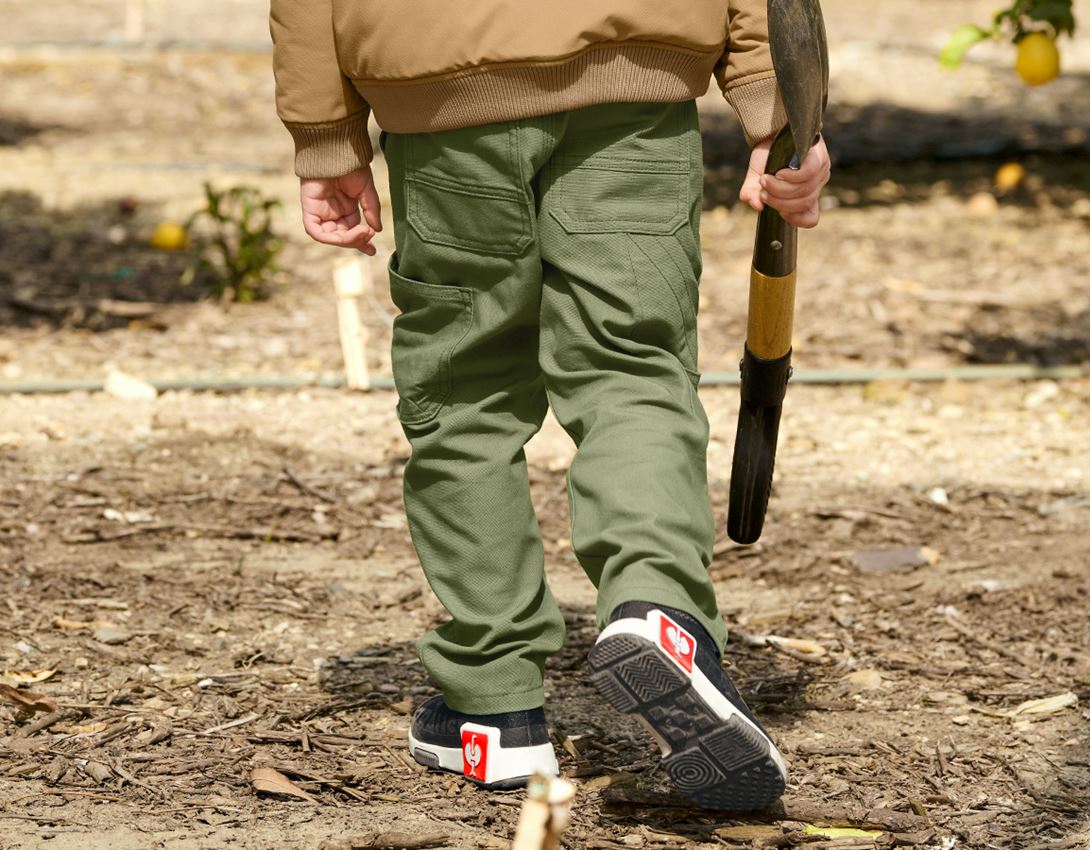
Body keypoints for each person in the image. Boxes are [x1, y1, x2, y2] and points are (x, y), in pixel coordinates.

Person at [270, 0, 830, 810]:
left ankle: (493, 704)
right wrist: (779, 108)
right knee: (632, 369)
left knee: (466, 396)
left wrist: (326, 135)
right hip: (636, 78)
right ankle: (660, 610)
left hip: (441, 83)